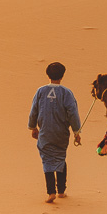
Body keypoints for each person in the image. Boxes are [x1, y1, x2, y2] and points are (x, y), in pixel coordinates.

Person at [27, 61, 82, 203]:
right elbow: (73, 113)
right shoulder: (66, 93)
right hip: (61, 134)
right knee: (60, 158)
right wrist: (76, 131)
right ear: (62, 75)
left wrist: (33, 127)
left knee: (47, 160)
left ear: (48, 74)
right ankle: (61, 191)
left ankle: (51, 192)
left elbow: (34, 111)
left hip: (45, 133)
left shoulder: (41, 91)